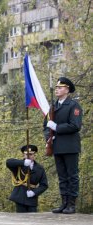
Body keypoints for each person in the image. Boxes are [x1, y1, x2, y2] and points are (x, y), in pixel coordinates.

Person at [44, 77, 83, 214]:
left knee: (72, 175)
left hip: (70, 146)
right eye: (56, 87)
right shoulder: (53, 106)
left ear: (67, 90)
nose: (57, 89)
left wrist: (57, 127)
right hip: (57, 146)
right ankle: (64, 203)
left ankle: (71, 204)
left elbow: (75, 125)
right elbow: (46, 126)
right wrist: (48, 138)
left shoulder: (73, 105)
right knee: (62, 176)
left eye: (60, 88)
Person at [6, 144, 48, 213]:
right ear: (23, 155)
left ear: (34, 155)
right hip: (20, 196)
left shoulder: (40, 169)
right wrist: (23, 163)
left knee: (33, 220)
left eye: (31, 154)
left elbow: (44, 185)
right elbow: (8, 162)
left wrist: (34, 192)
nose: (28, 156)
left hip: (32, 198)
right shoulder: (19, 165)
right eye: (26, 154)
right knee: (21, 220)